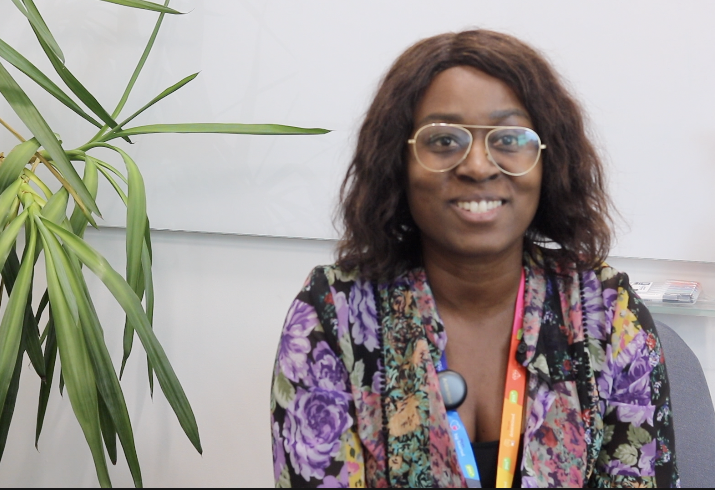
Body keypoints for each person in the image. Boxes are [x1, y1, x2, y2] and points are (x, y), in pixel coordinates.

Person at [270, 29, 679, 488]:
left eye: (508, 138)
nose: (478, 166)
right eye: (444, 141)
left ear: (549, 160)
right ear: (398, 161)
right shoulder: (334, 313)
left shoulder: (606, 312)